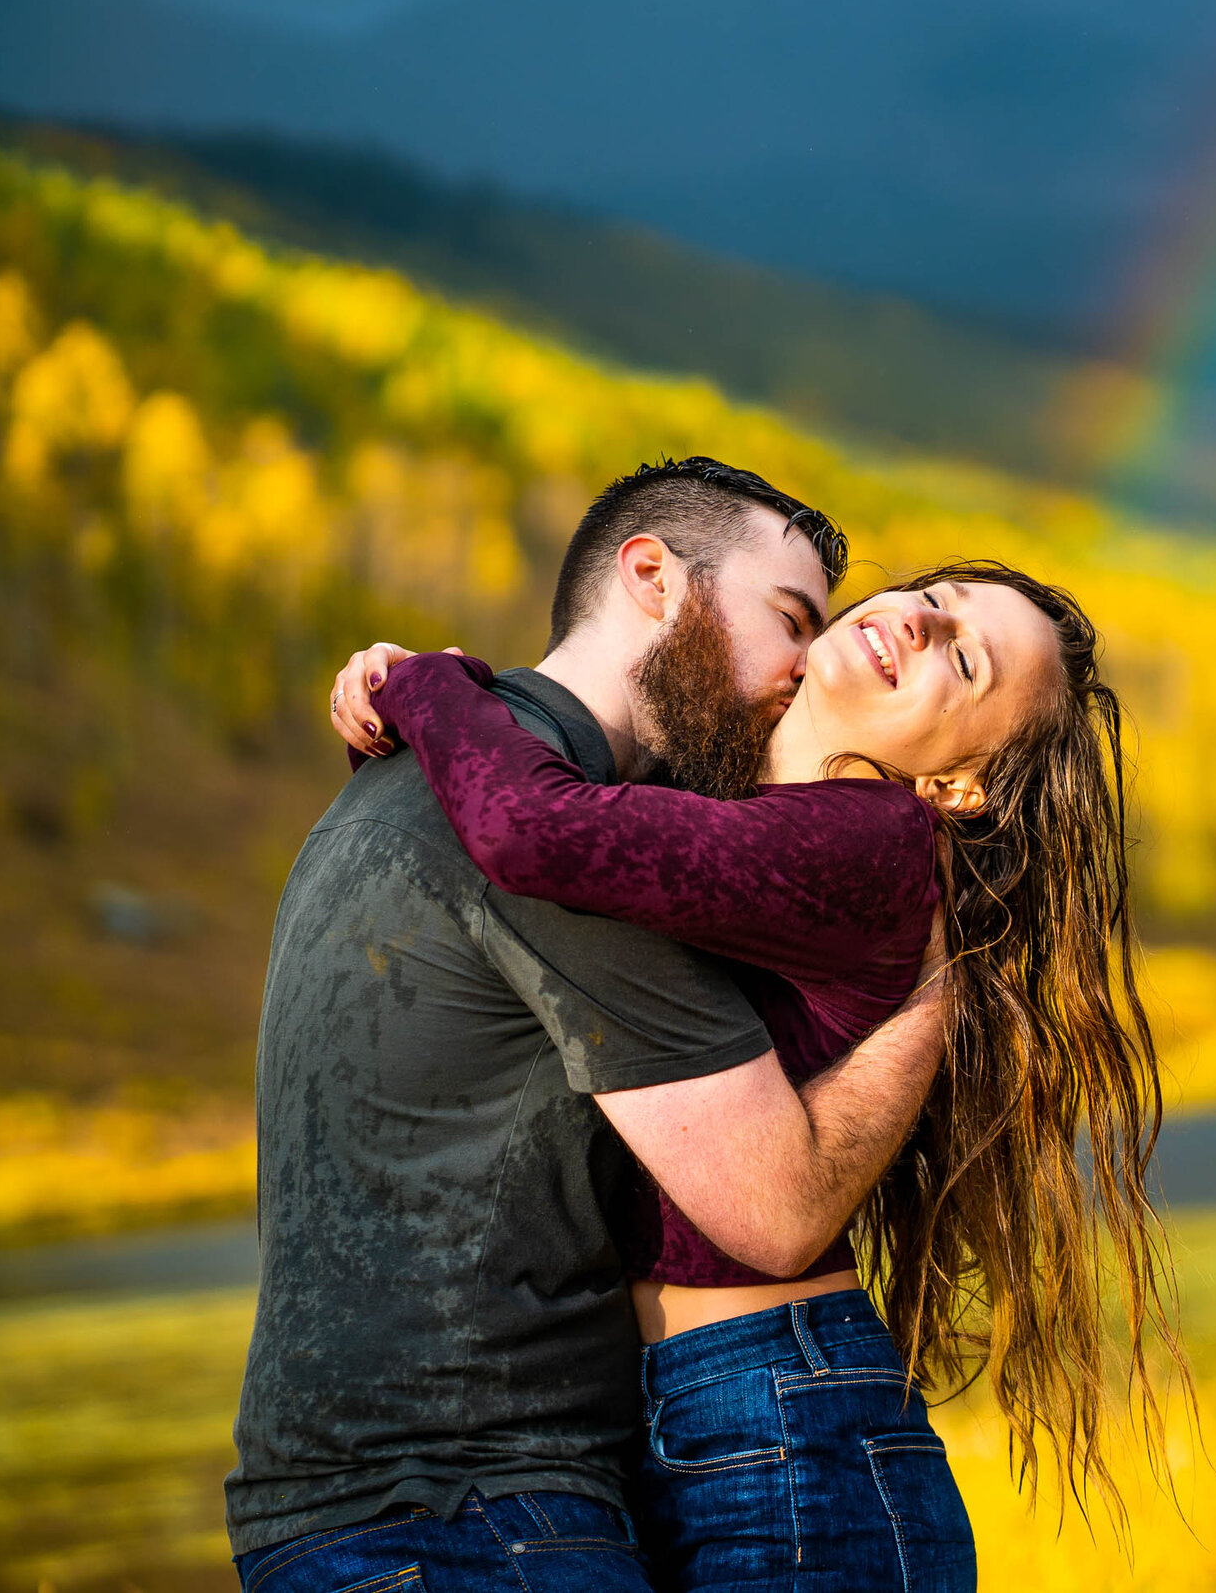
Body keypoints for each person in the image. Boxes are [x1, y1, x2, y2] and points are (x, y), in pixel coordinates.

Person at [328, 550, 1180, 1591]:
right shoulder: (755, 826)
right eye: (938, 599)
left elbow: (529, 829)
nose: (919, 621)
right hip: (716, 1417)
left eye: (965, 662)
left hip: (781, 1426)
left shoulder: (871, 840)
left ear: (960, 783)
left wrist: (424, 682)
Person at [228, 459, 955, 1593]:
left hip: (342, 1510)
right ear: (654, 578)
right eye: (787, 619)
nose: (805, 666)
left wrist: (422, 681)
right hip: (473, 1518)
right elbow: (776, 1206)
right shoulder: (571, 849)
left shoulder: (391, 785)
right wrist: (932, 1000)